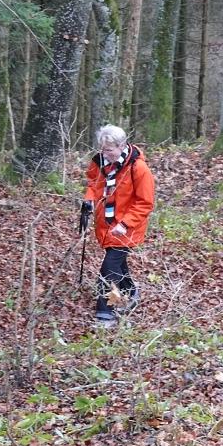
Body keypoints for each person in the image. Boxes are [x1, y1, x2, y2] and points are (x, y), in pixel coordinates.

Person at [82, 125, 155, 328]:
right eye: (103, 149)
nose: (105, 154)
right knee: (118, 264)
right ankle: (131, 294)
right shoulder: (98, 162)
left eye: (109, 150)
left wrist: (125, 224)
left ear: (122, 146)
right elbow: (93, 184)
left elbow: (145, 202)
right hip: (106, 225)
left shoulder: (138, 168)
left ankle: (105, 314)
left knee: (108, 269)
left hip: (128, 228)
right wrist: (88, 200)